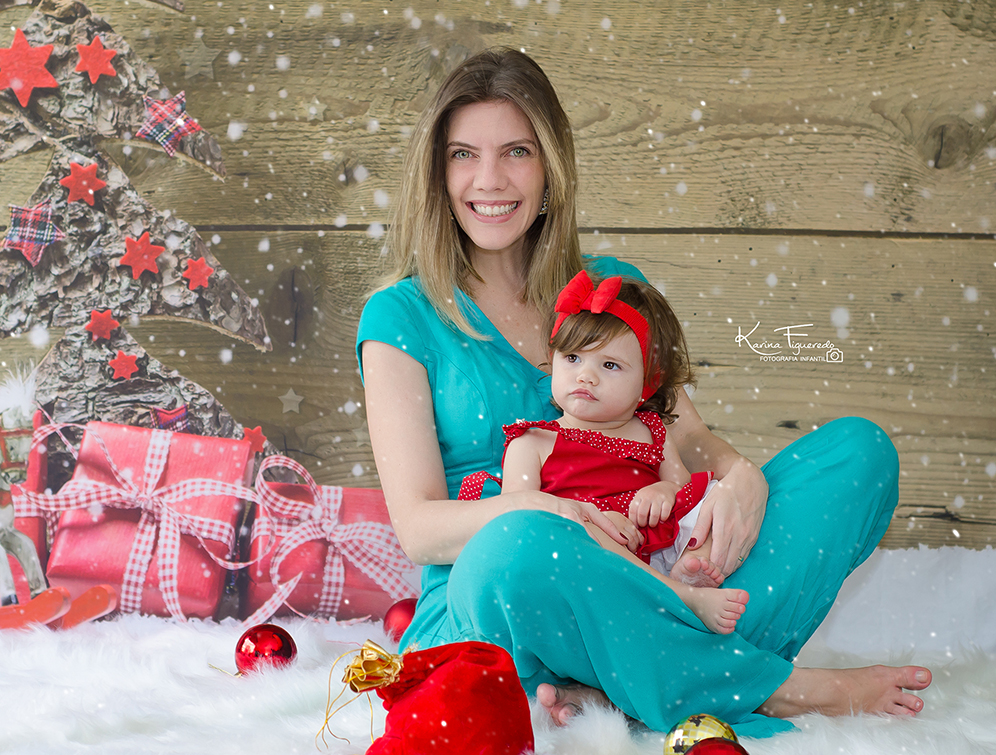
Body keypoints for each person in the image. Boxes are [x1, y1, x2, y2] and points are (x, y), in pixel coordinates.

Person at [355, 47, 930, 737]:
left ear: (551, 167)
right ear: (437, 171)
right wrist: (554, 513)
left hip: (661, 570)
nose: (489, 179)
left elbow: (690, 437)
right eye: (462, 155)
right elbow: (419, 529)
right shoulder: (400, 316)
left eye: (516, 151)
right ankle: (776, 689)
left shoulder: (613, 287)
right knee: (515, 544)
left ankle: (625, 681)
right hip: (507, 601)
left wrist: (741, 477)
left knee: (860, 454)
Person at [496, 270, 747, 635]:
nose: (585, 376)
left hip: (654, 546)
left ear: (648, 383)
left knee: (711, 494)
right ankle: (680, 596)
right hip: (585, 563)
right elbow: (518, 519)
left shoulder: (652, 431)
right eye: (572, 358)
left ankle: (691, 568)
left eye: (609, 365)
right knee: (571, 531)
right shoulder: (532, 443)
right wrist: (595, 518)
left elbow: (681, 482)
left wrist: (663, 490)